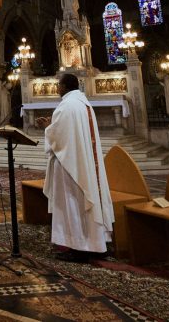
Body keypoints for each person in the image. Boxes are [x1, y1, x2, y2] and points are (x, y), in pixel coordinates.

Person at [35, 73, 114, 261]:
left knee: (72, 203)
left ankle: (78, 246)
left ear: (63, 87)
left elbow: (59, 137)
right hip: (82, 162)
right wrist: (52, 127)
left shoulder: (66, 106)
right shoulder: (83, 104)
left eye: (58, 85)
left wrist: (46, 128)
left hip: (71, 167)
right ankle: (96, 241)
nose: (56, 88)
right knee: (85, 201)